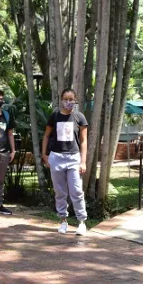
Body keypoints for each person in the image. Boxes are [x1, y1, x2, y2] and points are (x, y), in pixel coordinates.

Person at [41, 88, 89, 235]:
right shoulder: (55, 116)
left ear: (75, 100)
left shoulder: (79, 117)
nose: (68, 102)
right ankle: (63, 221)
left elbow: (83, 140)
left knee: (76, 191)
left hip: (73, 158)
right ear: (61, 100)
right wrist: (44, 154)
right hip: (57, 157)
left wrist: (83, 161)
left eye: (71, 99)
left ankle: (81, 222)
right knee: (60, 192)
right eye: (66, 99)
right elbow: (46, 136)